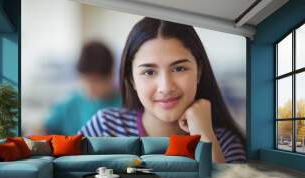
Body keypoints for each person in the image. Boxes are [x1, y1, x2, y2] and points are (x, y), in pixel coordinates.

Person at [79, 18, 246, 163]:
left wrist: (204, 134)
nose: (165, 87)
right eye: (149, 72)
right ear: (132, 79)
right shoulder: (105, 128)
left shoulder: (223, 142)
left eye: (179, 68)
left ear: (199, 71)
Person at [43, 41, 121, 135]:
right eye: (85, 80)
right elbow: (45, 128)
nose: (90, 87)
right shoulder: (70, 104)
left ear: (111, 76)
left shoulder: (124, 104)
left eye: (96, 81)